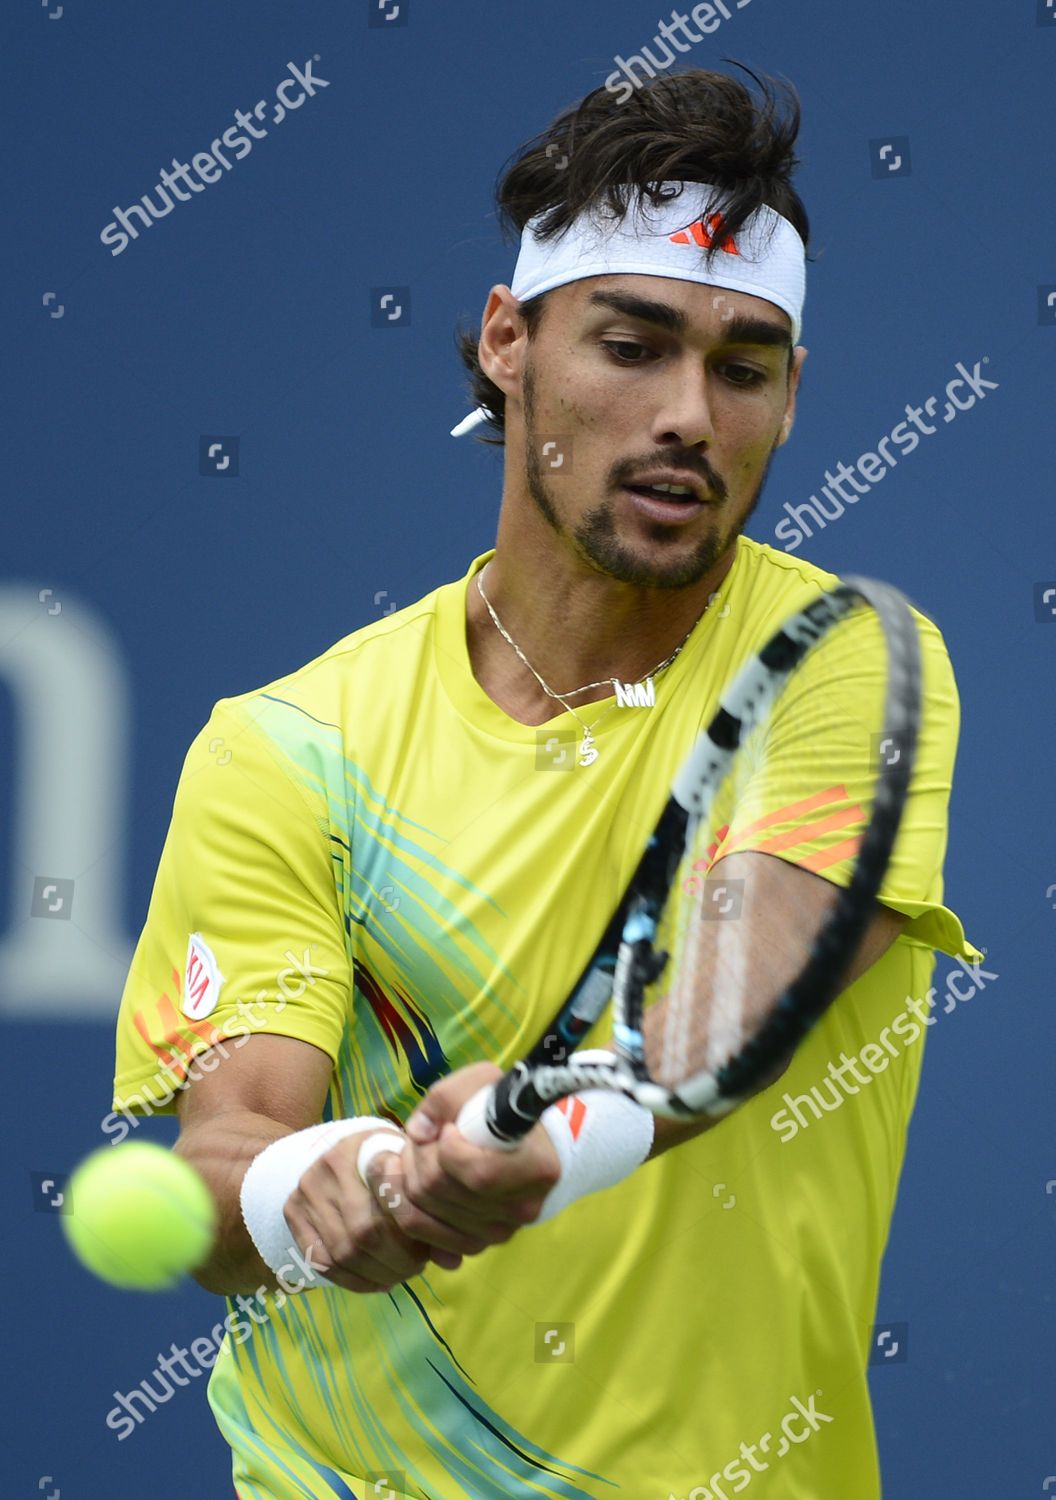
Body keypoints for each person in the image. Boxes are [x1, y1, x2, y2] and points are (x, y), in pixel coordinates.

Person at [112, 62, 982, 1499]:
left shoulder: (842, 662)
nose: (689, 415)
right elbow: (223, 1156)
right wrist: (306, 1186)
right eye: (631, 346)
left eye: (742, 366)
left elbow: (730, 999)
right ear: (509, 343)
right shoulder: (285, 746)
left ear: (790, 396)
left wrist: (550, 1140)